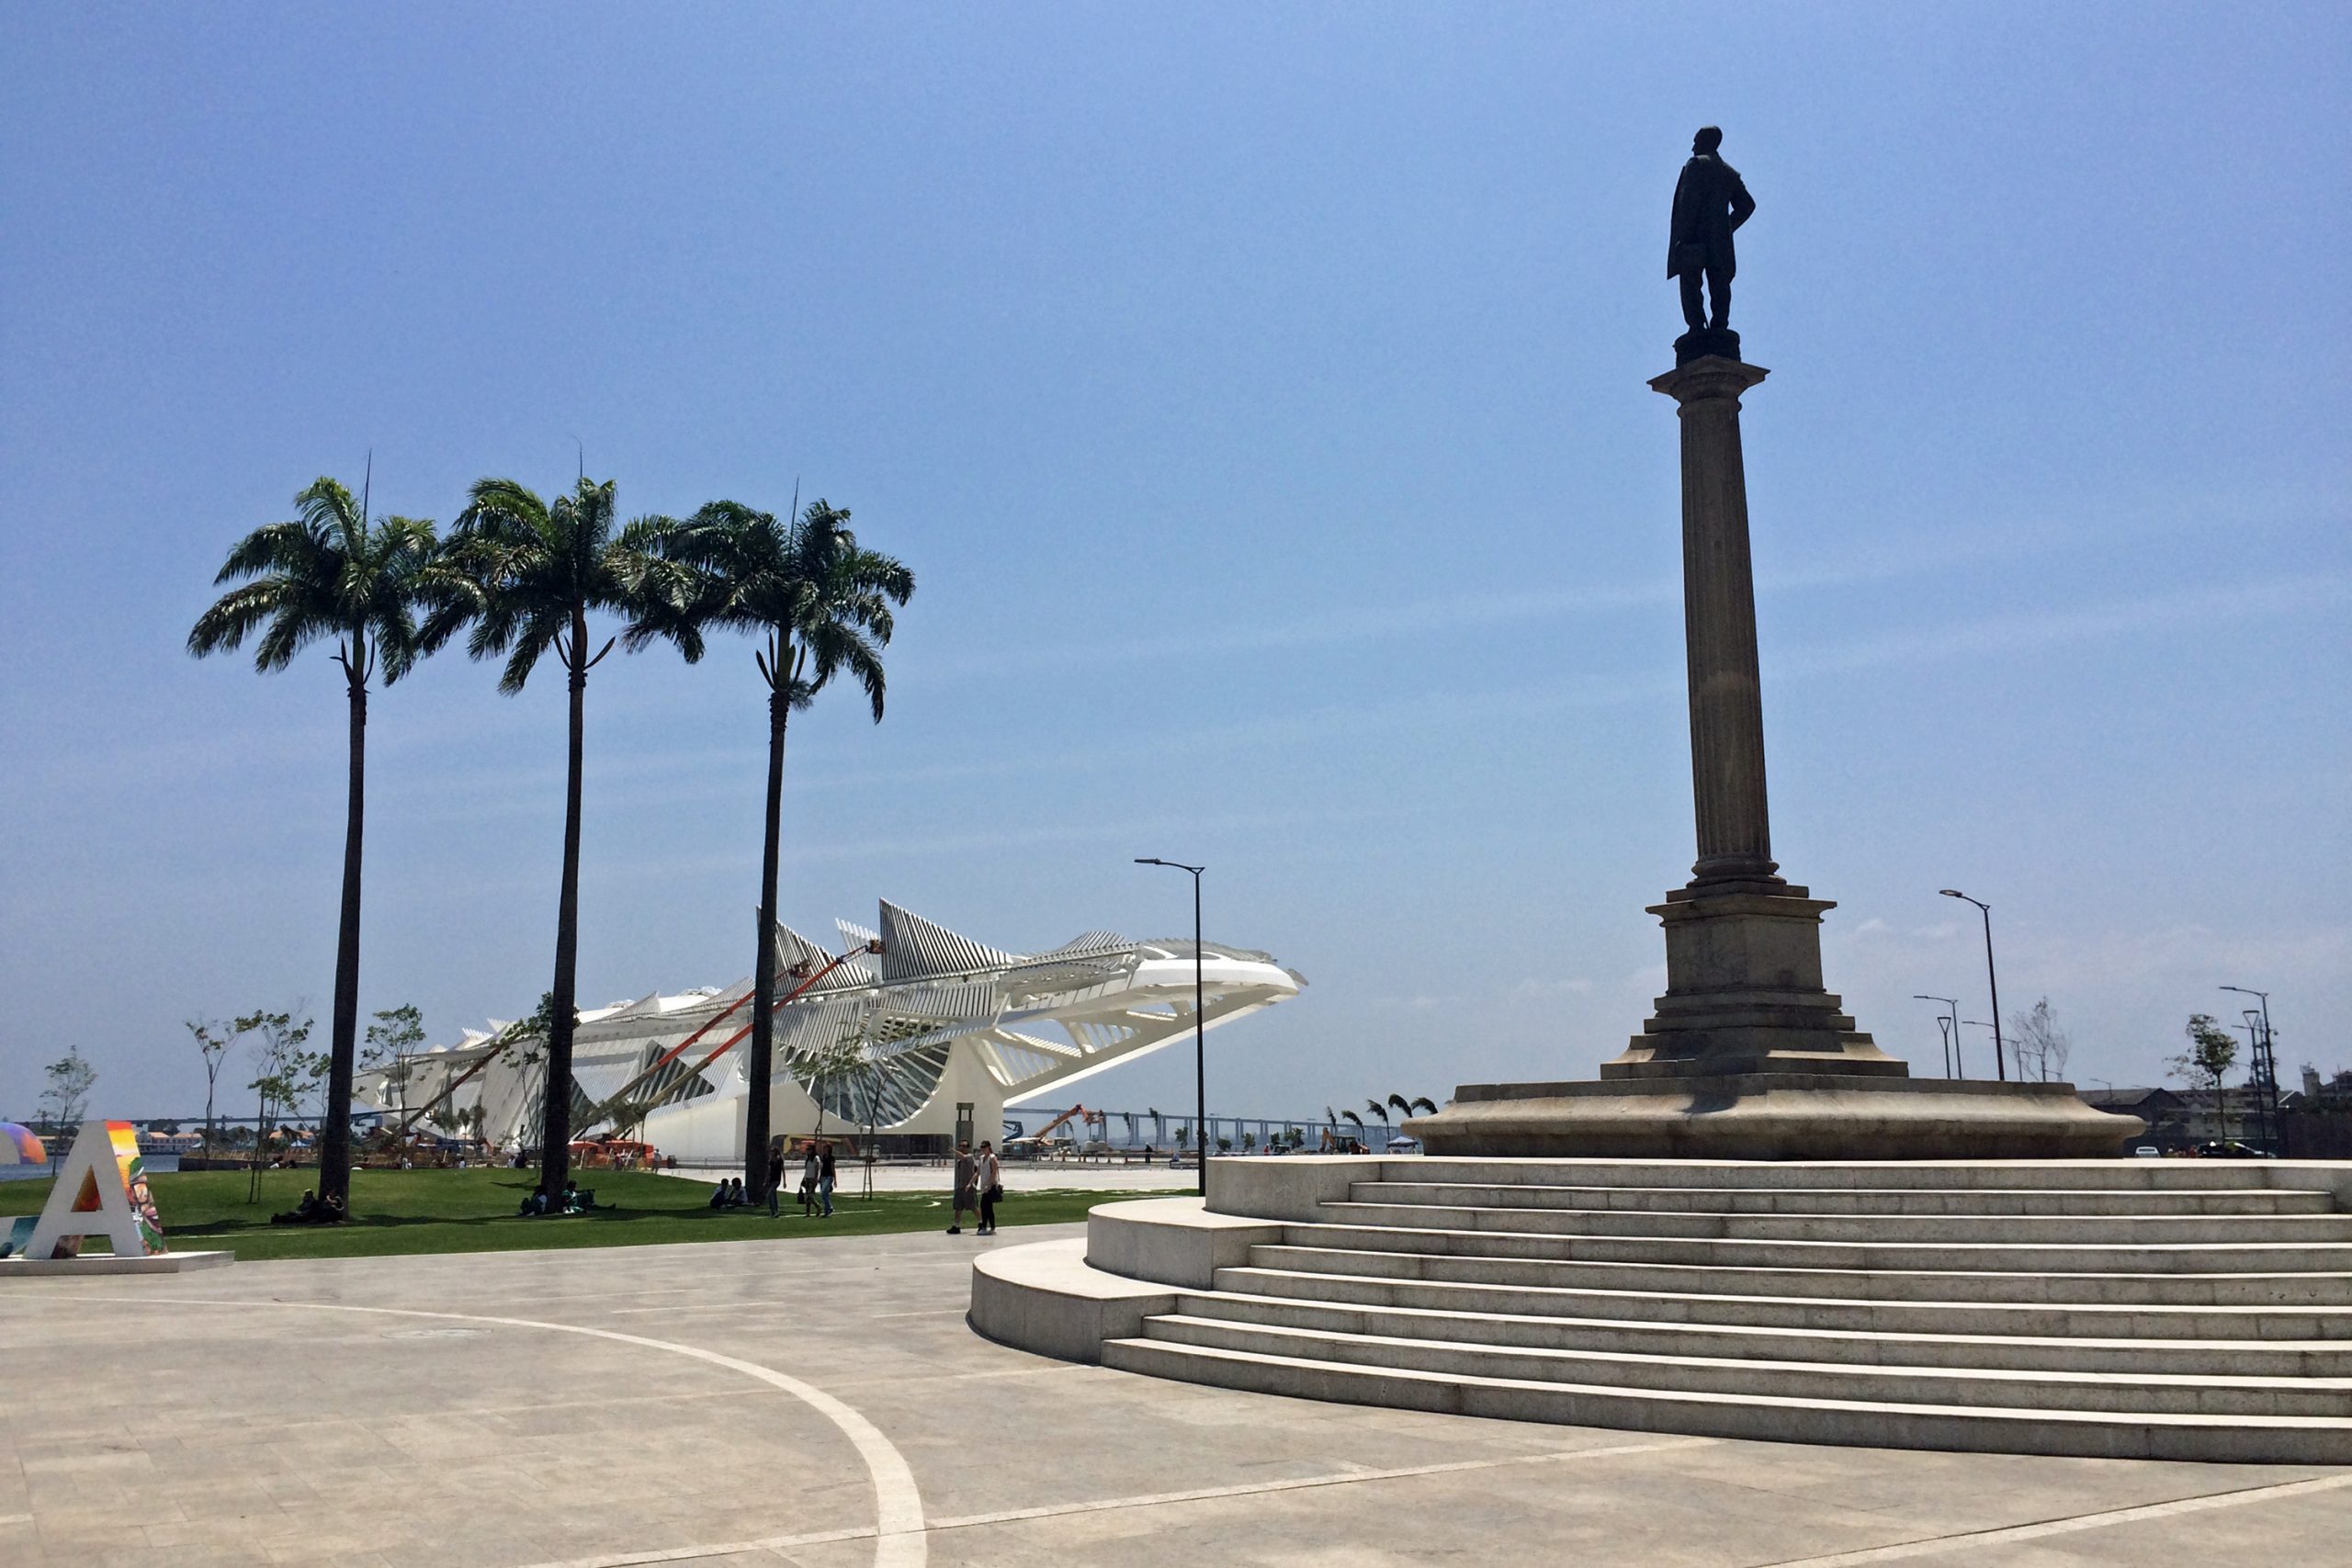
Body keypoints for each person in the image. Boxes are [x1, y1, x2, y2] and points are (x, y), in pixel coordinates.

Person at [1668, 125, 1756, 338]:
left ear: (1705, 142)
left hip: (1695, 237)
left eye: (1696, 142)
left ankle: (1696, 326)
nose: (1692, 147)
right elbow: (1747, 206)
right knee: (1720, 283)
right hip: (1721, 241)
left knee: (1690, 281)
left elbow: (1688, 203)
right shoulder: (1729, 172)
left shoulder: (1696, 165)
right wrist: (1726, 227)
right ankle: (1719, 326)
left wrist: (1684, 237)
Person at [948, 1142, 977, 1235]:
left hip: (968, 1187)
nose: (961, 1148)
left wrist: (954, 1151)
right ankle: (956, 1225)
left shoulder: (970, 1157)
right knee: (958, 1207)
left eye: (964, 1146)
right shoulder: (959, 1161)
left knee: (972, 1207)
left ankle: (981, 1222)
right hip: (960, 1186)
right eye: (960, 1146)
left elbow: (963, 1156)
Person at [975, 1140, 1001, 1236]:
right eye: (982, 1147)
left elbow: (994, 1172)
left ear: (989, 1147)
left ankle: (989, 1227)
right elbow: (978, 1172)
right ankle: (986, 1227)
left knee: (987, 1207)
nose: (983, 1149)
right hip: (983, 1187)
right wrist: (970, 1183)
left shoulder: (992, 1157)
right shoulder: (981, 1158)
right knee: (984, 1207)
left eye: (984, 1147)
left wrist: (989, 1185)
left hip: (990, 1186)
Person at [799, 1142, 820, 1218]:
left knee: (809, 1195)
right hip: (807, 1177)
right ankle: (807, 1212)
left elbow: (817, 1168)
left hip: (812, 1178)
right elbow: (807, 1169)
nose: (808, 1151)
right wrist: (804, 1178)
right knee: (807, 1196)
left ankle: (817, 1206)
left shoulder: (816, 1158)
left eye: (809, 1149)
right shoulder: (807, 1158)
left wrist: (815, 1179)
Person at [818, 1140, 837, 1218]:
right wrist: (819, 1177)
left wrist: (835, 1180)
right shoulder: (823, 1157)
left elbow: (833, 1168)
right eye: (824, 1147)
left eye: (826, 1147)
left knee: (823, 1192)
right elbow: (822, 1167)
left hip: (829, 1176)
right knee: (825, 1194)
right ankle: (827, 1211)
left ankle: (830, 1207)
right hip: (823, 1176)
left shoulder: (831, 1158)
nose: (824, 1148)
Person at [766, 1145, 786, 1219]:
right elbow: (769, 1171)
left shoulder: (780, 1160)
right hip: (771, 1179)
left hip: (777, 1180)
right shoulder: (771, 1160)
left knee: (770, 1194)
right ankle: (773, 1211)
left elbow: (783, 1171)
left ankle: (775, 1211)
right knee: (773, 1196)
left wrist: (784, 1181)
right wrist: (766, 1180)